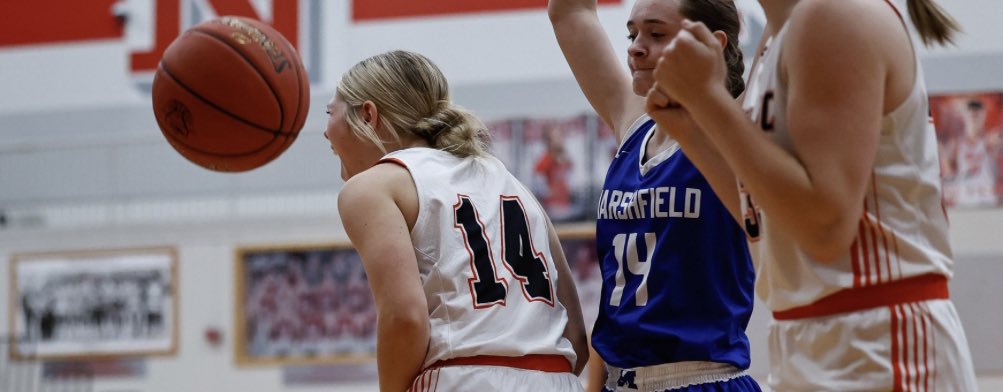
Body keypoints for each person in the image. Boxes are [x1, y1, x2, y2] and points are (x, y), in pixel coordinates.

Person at [647, 0, 980, 389]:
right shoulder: (778, 35)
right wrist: (690, 127)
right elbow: (767, 214)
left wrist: (708, 99)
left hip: (877, 335)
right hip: (809, 335)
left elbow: (826, 227)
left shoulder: (833, 14)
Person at [326, 50, 589, 392]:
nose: (326, 132)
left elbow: (404, 319)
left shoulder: (372, 186)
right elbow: (577, 339)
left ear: (368, 115)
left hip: (464, 379)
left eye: (329, 113)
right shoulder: (515, 185)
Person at [549, 0, 759, 390]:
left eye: (657, 34)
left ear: (711, 44)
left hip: (700, 378)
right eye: (632, 34)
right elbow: (569, 12)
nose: (635, 47)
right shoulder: (635, 125)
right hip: (620, 379)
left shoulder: (739, 133)